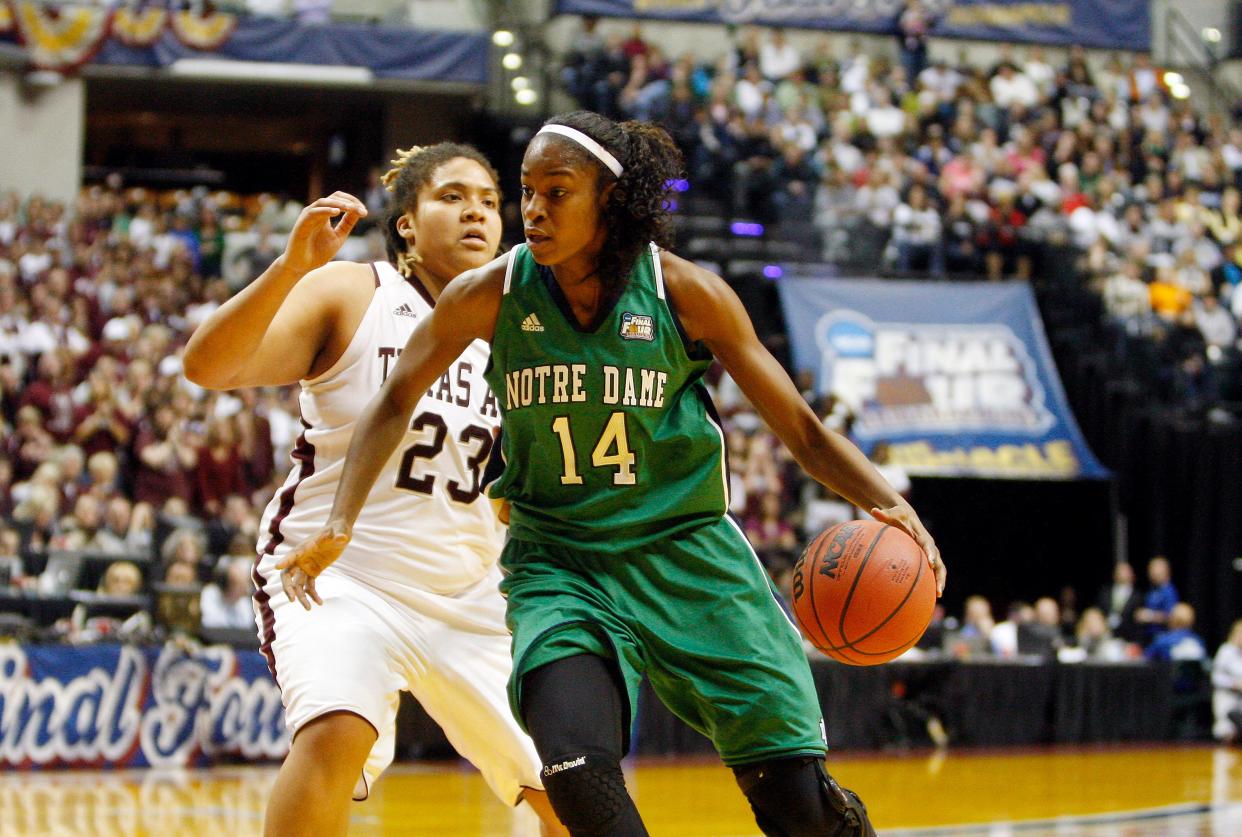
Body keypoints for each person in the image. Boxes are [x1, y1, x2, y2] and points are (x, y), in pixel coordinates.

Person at [279, 111, 945, 837]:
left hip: (687, 553)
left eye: (556, 191)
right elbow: (395, 396)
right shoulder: (493, 293)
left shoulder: (686, 294)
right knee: (572, 768)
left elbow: (804, 432)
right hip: (562, 565)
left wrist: (888, 503)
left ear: (612, 200)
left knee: (797, 805)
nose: (532, 208)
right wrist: (340, 519)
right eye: (527, 191)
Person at [183, 144, 564, 837]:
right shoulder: (358, 293)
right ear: (408, 223)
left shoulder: (522, 332)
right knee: (335, 730)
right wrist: (293, 267)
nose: (477, 210)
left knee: (572, 788)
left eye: (488, 200)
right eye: (452, 196)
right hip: (337, 576)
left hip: (470, 592)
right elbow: (208, 365)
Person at [1212, 619, 1242, 742]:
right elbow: (1216, 677)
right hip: (1227, 694)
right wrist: (1233, 684)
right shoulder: (1226, 651)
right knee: (1225, 729)